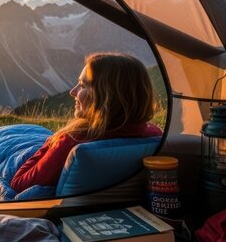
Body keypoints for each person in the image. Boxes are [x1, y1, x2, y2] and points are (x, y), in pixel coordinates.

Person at [11, 52, 163, 193]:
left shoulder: (71, 141)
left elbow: (18, 184)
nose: (72, 92)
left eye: (82, 85)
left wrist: (52, 142)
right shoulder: (155, 135)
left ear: (106, 96)